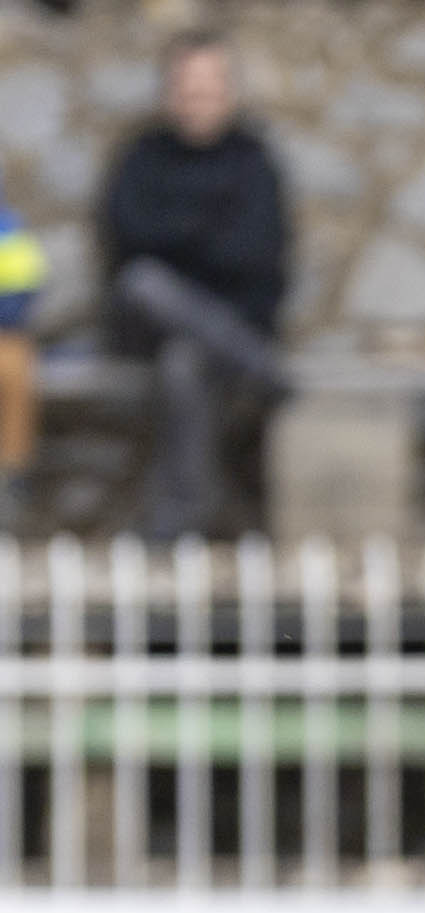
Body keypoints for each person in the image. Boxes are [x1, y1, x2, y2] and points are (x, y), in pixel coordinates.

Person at [102, 33, 290, 541]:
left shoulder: (253, 159)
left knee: (184, 361)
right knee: (146, 284)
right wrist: (207, 232)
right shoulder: (143, 156)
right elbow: (127, 238)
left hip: (227, 322)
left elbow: (256, 253)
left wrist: (179, 234)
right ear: (169, 91)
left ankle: (179, 519)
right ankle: (259, 367)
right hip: (150, 324)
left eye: (208, 86)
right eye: (187, 86)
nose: (197, 98)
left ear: (229, 91)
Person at [0, 178, 39, 517]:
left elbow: (18, 299)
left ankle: (11, 478)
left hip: (5, 334)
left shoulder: (9, 232)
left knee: (14, 365)